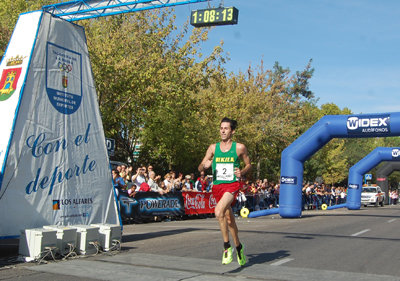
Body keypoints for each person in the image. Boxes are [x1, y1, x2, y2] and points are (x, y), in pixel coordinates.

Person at [198, 117, 251, 266]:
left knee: (218, 212)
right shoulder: (213, 148)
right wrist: (204, 166)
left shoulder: (239, 147)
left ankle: (227, 248)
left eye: (226, 128)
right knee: (229, 219)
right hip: (217, 187)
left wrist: (243, 172)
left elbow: (248, 165)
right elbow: (200, 167)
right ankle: (239, 247)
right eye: (221, 128)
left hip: (232, 185)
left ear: (232, 131)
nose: (222, 130)